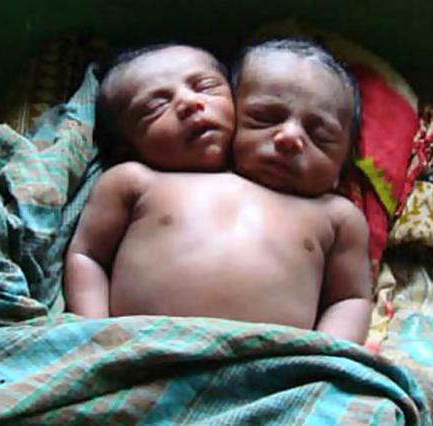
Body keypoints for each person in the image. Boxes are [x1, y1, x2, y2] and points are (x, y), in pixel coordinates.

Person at [64, 40, 372, 344]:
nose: (289, 137)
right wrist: (94, 334)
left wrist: (325, 359)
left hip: (274, 365)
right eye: (265, 118)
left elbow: (350, 299)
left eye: (321, 136)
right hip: (140, 350)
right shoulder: (134, 181)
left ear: (343, 167)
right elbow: (87, 256)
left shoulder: (337, 216)